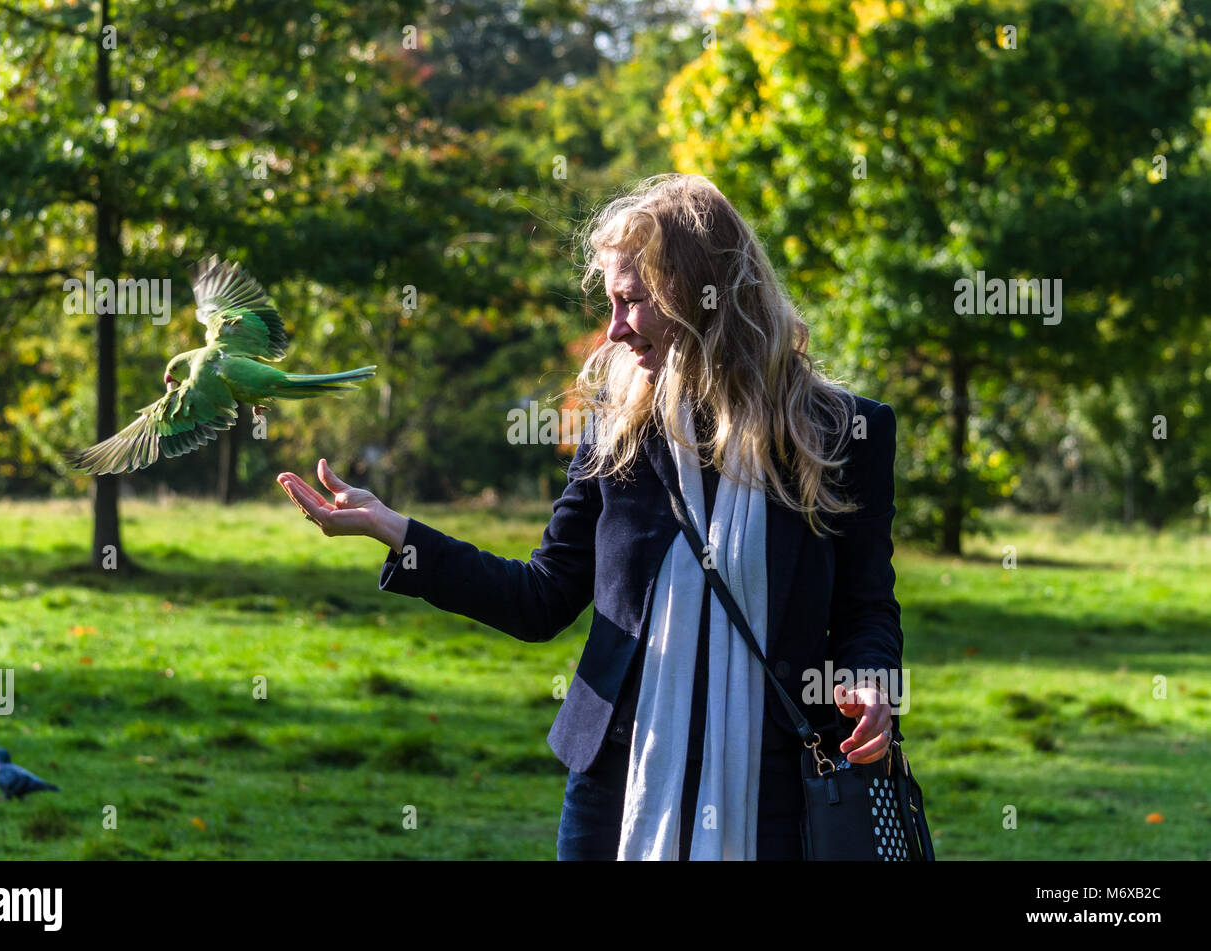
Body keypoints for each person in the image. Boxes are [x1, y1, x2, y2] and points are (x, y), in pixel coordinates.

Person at [276, 173, 903, 861]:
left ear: (698, 293)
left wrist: (870, 681)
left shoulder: (841, 430)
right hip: (616, 791)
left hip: (781, 789)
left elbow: (866, 607)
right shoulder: (619, 428)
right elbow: (539, 597)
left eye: (633, 301)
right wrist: (396, 532)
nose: (614, 328)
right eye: (611, 301)